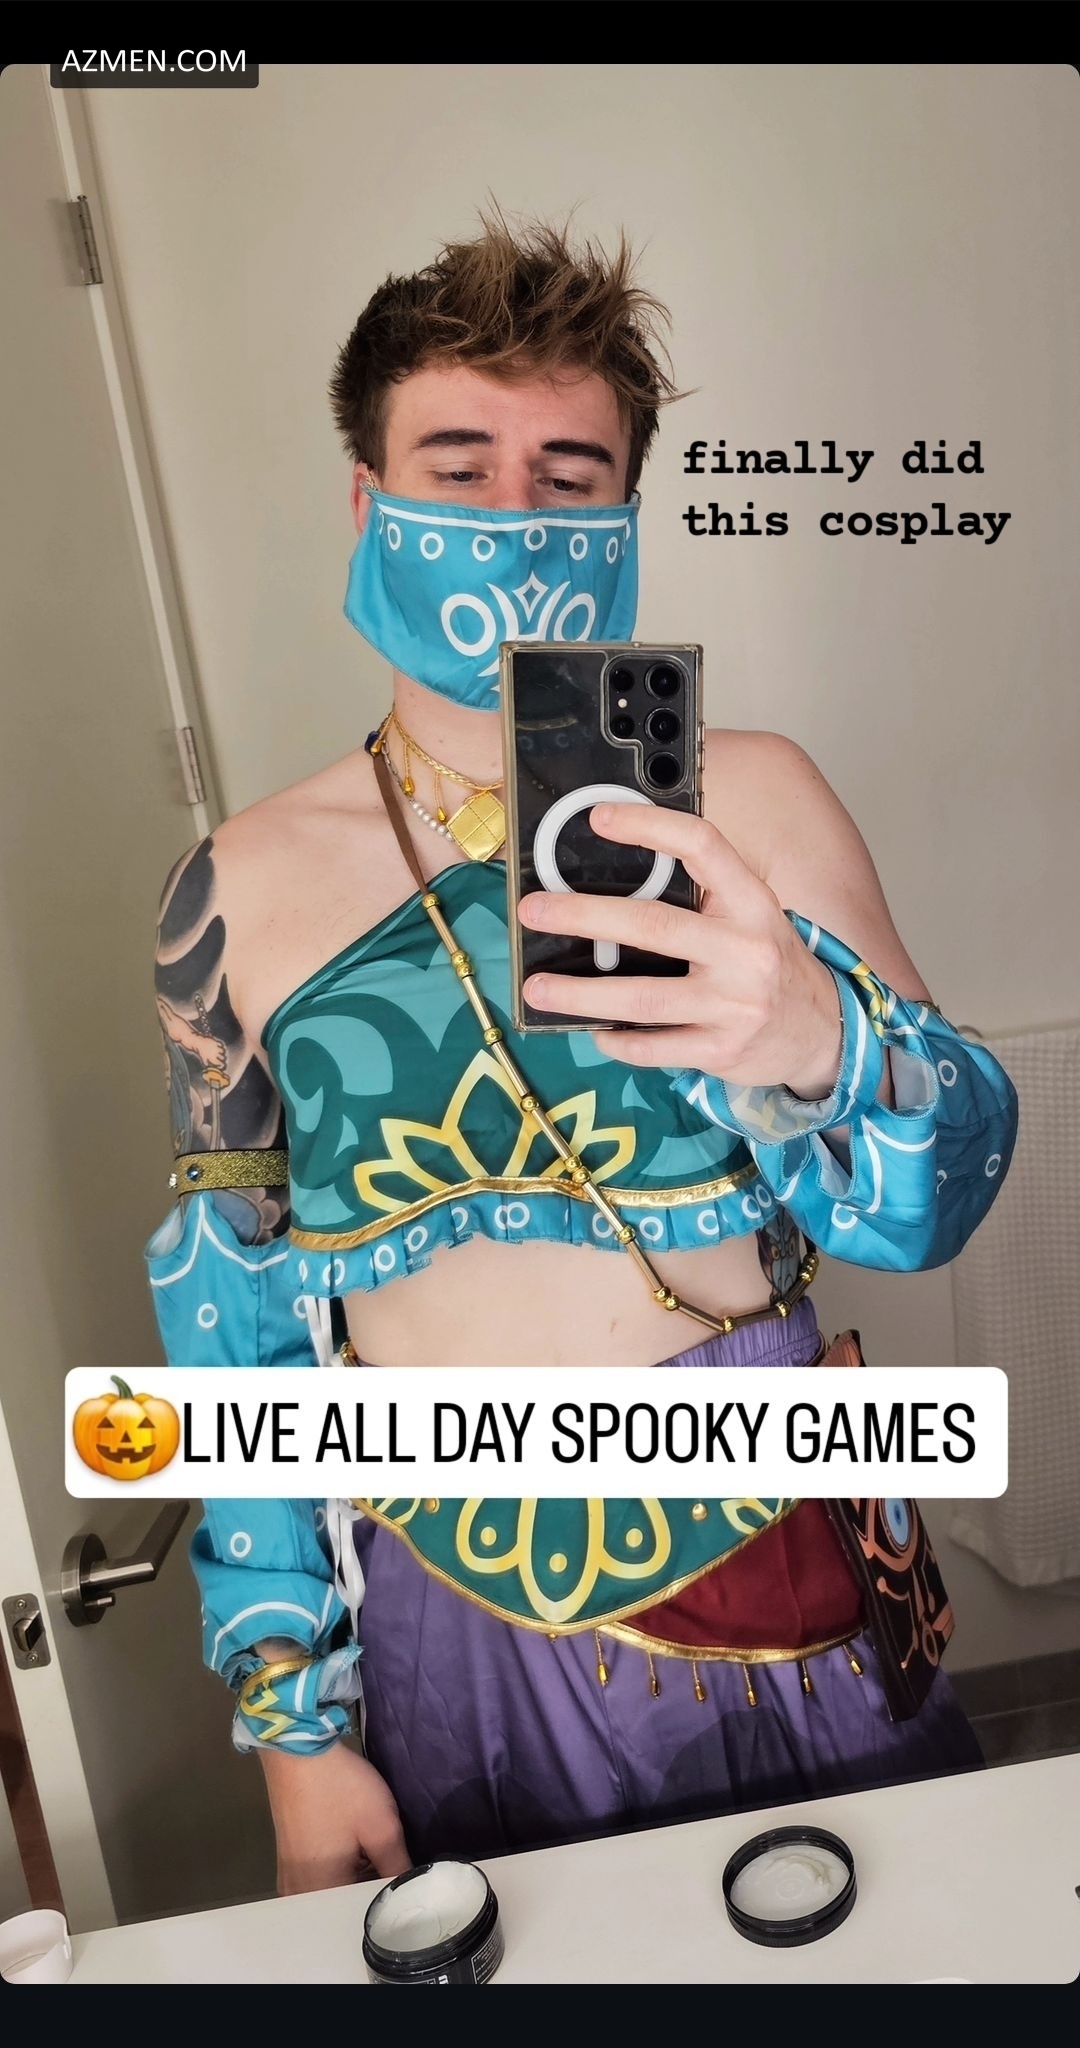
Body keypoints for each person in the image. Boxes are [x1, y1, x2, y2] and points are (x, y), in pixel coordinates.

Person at [147, 211, 1018, 1896]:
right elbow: (231, 1320)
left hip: (763, 1530)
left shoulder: (756, 799)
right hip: (446, 1592)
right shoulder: (233, 892)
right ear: (364, 501)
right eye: (456, 468)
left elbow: (942, 1204)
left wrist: (821, 1039)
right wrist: (292, 1729)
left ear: (624, 514)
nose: (510, 518)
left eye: (567, 477)